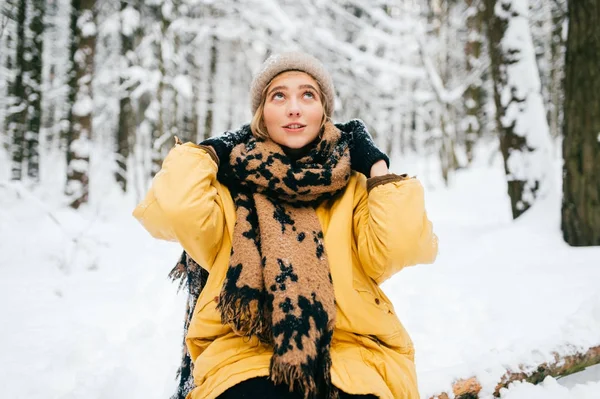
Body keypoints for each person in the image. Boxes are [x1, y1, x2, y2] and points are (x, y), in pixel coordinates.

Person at [133, 52, 438, 399]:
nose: (294, 108)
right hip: (243, 358)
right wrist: (211, 151)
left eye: (308, 95)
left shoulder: (356, 188)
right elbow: (173, 210)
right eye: (279, 96)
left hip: (355, 357)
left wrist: (377, 167)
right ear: (261, 113)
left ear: (324, 111)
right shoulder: (228, 189)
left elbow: (400, 246)